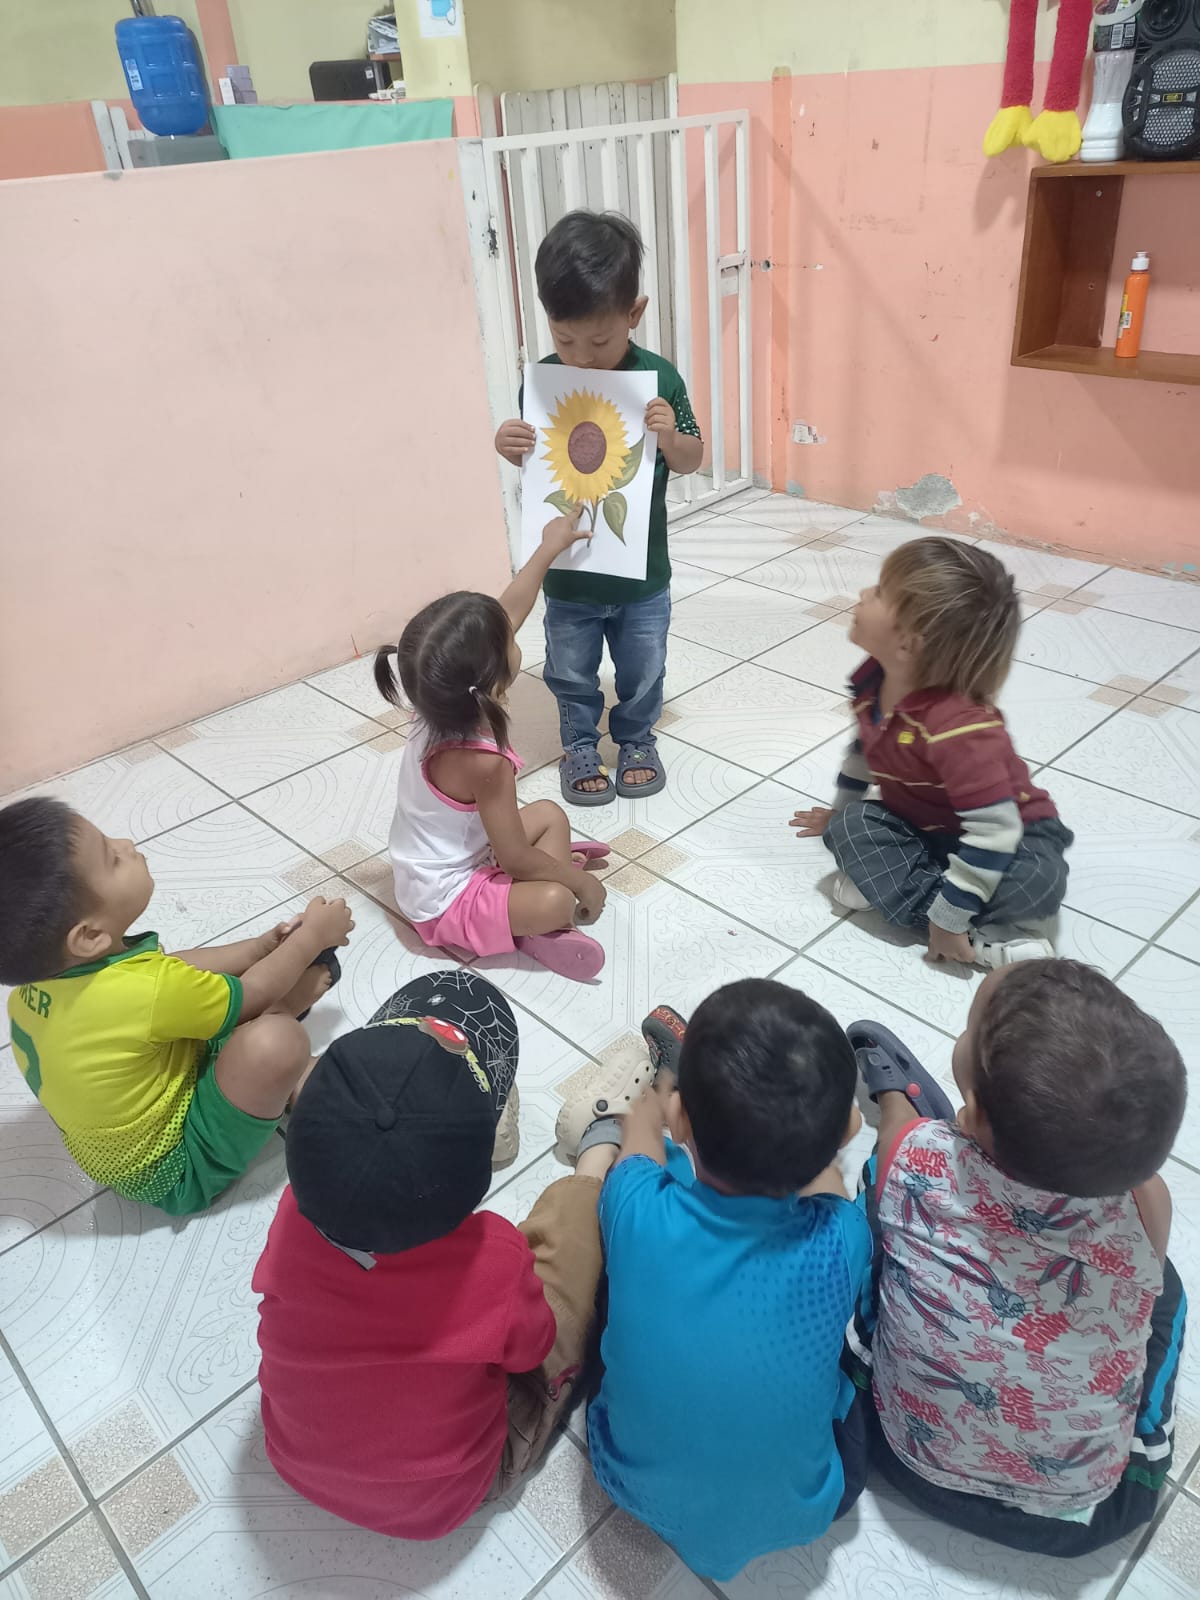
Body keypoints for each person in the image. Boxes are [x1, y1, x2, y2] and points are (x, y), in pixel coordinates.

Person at [253, 971, 661, 1539]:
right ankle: (596, 1155)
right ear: (469, 1187)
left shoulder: (291, 1214)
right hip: (444, 1500)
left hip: (294, 1457)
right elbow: (533, 1347)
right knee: (567, 1276)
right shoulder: (494, 1257)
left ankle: (500, 1130)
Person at [847, 961, 1187, 1557]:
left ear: (971, 1111)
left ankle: (900, 1094)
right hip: (1085, 1514)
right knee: (1163, 1288)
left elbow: (894, 1151)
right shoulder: (1146, 1202)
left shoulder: (916, 1156)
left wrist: (900, 1119)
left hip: (906, 1459)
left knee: (882, 1197)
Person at [580, 980, 872, 1582]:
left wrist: (656, 1101)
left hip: (628, 1481)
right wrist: (817, 1137)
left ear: (682, 1116)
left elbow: (639, 1147)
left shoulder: (638, 1208)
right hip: (806, 1509)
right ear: (844, 1134)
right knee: (847, 1367)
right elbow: (829, 1193)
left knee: (619, 1277)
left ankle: (652, 1101)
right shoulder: (844, 1239)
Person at [0, 796, 353, 1215]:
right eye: (113, 858)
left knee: (202, 999)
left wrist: (259, 947)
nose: (127, 843)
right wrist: (313, 936)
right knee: (275, 1043)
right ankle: (289, 1043)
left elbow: (170, 971)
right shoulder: (140, 994)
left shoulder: (34, 989)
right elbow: (249, 994)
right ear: (90, 936)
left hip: (125, 1143)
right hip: (176, 1168)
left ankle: (279, 1016)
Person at [494, 210, 705, 806]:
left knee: (644, 666)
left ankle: (636, 738)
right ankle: (580, 744)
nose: (582, 358)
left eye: (600, 341)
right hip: (569, 576)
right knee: (569, 669)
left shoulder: (659, 378)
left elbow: (692, 459)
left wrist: (670, 436)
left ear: (633, 314)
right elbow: (537, 462)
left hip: (643, 575)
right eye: (565, 340)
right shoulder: (545, 383)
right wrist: (509, 443)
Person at [790, 537, 1074, 969]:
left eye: (879, 592)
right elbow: (863, 753)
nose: (863, 594)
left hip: (1012, 832)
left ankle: (951, 919)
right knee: (849, 826)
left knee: (1038, 875)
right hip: (924, 826)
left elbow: (996, 833)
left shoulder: (960, 728)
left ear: (908, 644)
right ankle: (971, 926)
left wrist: (947, 919)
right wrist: (841, 810)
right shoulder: (872, 682)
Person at [376, 509, 611, 985]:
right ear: (496, 676)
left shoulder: (438, 698)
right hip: (442, 903)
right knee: (557, 899)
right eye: (509, 639)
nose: (513, 630)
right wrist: (580, 882)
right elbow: (516, 857)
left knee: (550, 814)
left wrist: (549, 547)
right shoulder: (485, 763)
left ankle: (528, 893)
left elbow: (510, 610)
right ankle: (537, 929)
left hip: (465, 855)